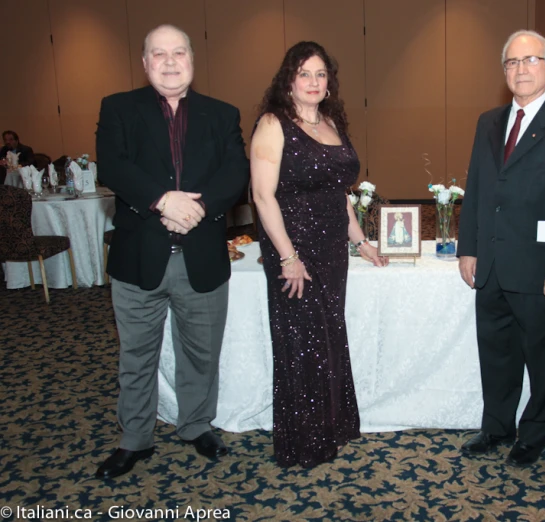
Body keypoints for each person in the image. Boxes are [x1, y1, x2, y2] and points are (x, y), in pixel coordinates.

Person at [94, 24, 249, 479]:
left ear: (192, 62)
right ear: (144, 63)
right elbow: (113, 165)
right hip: (138, 258)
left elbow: (235, 172)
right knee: (136, 357)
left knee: (201, 352)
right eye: (158, 54)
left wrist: (193, 212)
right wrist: (165, 201)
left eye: (177, 52)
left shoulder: (222, 114)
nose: (168, 61)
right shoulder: (119, 108)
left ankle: (196, 424)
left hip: (201, 257)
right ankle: (135, 439)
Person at [457, 30, 545, 468]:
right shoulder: (488, 122)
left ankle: (534, 435)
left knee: (543, 360)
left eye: (531, 60)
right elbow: (477, 187)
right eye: (512, 63)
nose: (521, 69)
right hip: (492, 266)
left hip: (540, 269)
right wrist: (468, 248)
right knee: (496, 354)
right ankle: (497, 426)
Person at [251, 41, 388, 468]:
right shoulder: (274, 124)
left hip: (331, 250)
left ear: (329, 83)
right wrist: (289, 257)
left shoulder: (331, 122)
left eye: (320, 74)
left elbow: (338, 193)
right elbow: (261, 194)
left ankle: (332, 426)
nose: (313, 82)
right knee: (303, 343)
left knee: (328, 337)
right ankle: (304, 441)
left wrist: (359, 240)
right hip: (294, 250)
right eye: (304, 74)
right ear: (288, 81)